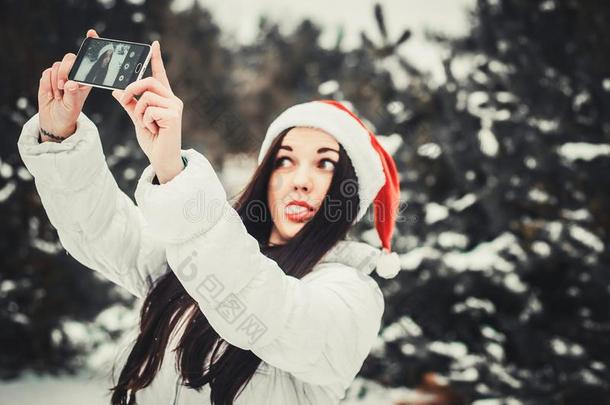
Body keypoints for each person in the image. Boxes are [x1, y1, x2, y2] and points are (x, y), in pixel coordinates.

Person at [17, 28, 402, 405]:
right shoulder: (192, 255)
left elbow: (266, 308)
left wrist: (173, 170)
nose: (300, 181)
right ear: (267, 176)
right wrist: (60, 139)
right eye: (285, 160)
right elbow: (103, 229)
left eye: (324, 164)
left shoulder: (350, 293)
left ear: (348, 189)